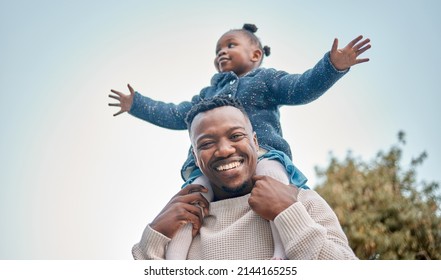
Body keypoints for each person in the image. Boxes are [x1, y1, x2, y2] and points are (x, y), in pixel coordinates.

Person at [109, 23, 370, 259]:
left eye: (230, 45)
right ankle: (176, 260)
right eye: (218, 49)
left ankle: (280, 251)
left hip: (266, 154)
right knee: (190, 201)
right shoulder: (207, 95)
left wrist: (332, 67)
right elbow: (175, 113)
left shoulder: (266, 80)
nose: (221, 52)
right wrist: (137, 104)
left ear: (255, 55)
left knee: (271, 177)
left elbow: (300, 87)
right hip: (203, 175)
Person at [131, 95, 358, 260]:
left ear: (256, 143)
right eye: (207, 144)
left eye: (236, 136)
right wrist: (156, 233)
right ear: (195, 157)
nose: (224, 150)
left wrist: (288, 213)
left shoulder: (302, 202)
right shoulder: (181, 224)